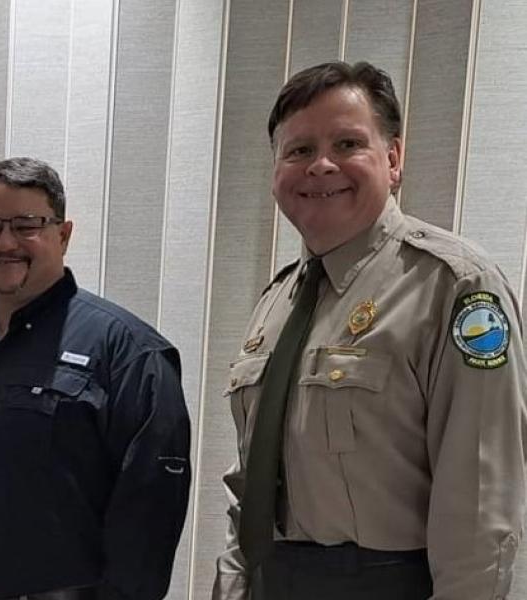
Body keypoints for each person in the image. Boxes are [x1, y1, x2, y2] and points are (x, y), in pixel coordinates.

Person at [213, 61, 527, 599]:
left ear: (394, 158)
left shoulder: (454, 286)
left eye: (347, 143)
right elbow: (253, 485)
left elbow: (480, 512)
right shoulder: (277, 302)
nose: (321, 166)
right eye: (299, 151)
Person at [0, 157, 192, 600]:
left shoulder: (128, 352)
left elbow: (149, 512)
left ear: (63, 234)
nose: (4, 242)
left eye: (25, 225)